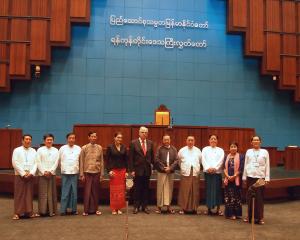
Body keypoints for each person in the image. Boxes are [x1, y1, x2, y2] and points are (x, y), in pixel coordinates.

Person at [243, 135, 270, 225]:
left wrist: (267, 178)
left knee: (259, 198)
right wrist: (244, 176)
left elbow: (267, 165)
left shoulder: (265, 152)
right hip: (250, 177)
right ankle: (249, 216)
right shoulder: (249, 151)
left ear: (260, 142)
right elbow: (246, 164)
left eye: (257, 140)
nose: (256, 141)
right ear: (251, 142)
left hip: (260, 178)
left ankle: (260, 217)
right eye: (254, 140)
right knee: (249, 198)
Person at [12, 134, 39, 220]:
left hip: (30, 175)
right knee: (19, 194)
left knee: (29, 194)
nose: (28, 141)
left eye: (29, 139)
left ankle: (29, 212)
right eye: (26, 139)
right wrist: (23, 173)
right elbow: (15, 162)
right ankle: (17, 213)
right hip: (20, 175)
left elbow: (36, 163)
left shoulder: (34, 151)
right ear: (22, 140)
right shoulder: (17, 150)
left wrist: (31, 173)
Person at [129, 126, 154, 214]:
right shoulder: (133, 143)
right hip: (137, 170)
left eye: (146, 132)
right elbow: (131, 158)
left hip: (147, 170)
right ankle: (136, 206)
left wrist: (152, 167)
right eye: (142, 132)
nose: (144, 134)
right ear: (139, 133)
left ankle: (145, 206)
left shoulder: (150, 143)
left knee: (146, 189)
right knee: (137, 189)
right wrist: (131, 170)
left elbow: (152, 157)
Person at [79, 131, 104, 216]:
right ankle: (86, 210)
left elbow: (102, 161)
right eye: (92, 136)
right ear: (88, 137)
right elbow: (81, 161)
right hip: (87, 172)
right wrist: (81, 174)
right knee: (87, 191)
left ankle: (95, 209)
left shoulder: (99, 147)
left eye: (95, 136)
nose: (93, 138)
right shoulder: (84, 148)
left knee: (95, 191)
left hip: (96, 172)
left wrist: (102, 174)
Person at [177, 136, 202, 214]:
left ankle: (194, 208)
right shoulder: (182, 150)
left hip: (195, 173)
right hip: (185, 173)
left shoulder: (198, 150)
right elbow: (179, 161)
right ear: (186, 141)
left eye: (192, 140)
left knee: (195, 191)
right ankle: (183, 208)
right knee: (184, 191)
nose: (190, 142)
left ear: (194, 141)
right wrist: (183, 168)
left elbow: (200, 161)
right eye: (189, 140)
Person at [154, 134, 178, 214]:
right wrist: (164, 168)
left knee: (169, 189)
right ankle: (159, 207)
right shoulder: (159, 149)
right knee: (160, 189)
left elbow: (176, 160)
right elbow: (156, 159)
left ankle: (168, 207)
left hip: (170, 172)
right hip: (162, 172)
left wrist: (170, 168)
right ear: (163, 140)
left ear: (170, 140)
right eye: (165, 139)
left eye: (168, 139)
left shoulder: (174, 149)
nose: (166, 141)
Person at [37, 133, 59, 217]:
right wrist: (44, 171)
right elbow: (38, 161)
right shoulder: (40, 150)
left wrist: (51, 171)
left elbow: (56, 162)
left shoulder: (56, 150)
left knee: (52, 192)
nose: (49, 141)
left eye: (51, 140)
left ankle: (52, 211)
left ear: (53, 141)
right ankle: (42, 211)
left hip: (52, 174)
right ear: (44, 141)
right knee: (43, 193)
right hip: (42, 174)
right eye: (48, 140)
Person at [202, 134, 225, 216]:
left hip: (217, 173)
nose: (213, 140)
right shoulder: (205, 149)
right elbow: (203, 159)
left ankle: (218, 209)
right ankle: (208, 209)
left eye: (215, 139)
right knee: (208, 191)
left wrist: (215, 168)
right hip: (208, 173)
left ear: (217, 140)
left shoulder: (220, 150)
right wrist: (208, 168)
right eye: (211, 139)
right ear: (209, 140)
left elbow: (221, 160)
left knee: (217, 191)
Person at [59, 132, 81, 215]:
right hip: (65, 173)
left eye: (73, 138)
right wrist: (63, 169)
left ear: (75, 139)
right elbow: (59, 161)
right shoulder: (62, 148)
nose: (71, 140)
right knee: (65, 191)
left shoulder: (79, 148)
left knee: (74, 192)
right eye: (70, 138)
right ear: (67, 139)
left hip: (75, 172)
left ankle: (74, 210)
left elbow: (80, 160)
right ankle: (63, 210)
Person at [106, 132, 128, 215]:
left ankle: (119, 208)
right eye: (118, 137)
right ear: (114, 138)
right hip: (114, 171)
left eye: (121, 138)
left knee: (121, 190)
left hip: (122, 171)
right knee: (114, 190)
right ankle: (114, 208)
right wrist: (109, 170)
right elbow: (107, 160)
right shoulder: (110, 147)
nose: (120, 139)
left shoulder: (124, 147)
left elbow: (126, 160)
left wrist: (127, 171)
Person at [224, 142, 244, 220]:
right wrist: (228, 176)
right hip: (228, 179)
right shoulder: (227, 156)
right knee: (229, 197)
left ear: (237, 148)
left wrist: (234, 176)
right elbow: (224, 168)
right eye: (231, 146)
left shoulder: (241, 156)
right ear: (229, 148)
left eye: (234, 146)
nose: (233, 148)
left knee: (236, 196)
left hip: (237, 179)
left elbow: (241, 168)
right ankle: (229, 214)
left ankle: (237, 213)